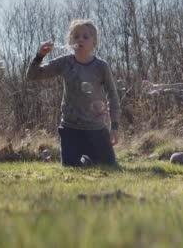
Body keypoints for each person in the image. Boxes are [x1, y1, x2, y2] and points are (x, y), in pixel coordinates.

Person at [27, 19, 120, 167]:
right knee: (71, 167)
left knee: (109, 166)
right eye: (76, 36)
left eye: (85, 36)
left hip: (96, 129)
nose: (80, 39)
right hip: (70, 129)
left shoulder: (101, 67)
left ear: (94, 43)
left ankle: (90, 157)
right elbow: (33, 75)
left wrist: (114, 127)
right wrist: (40, 56)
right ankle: (84, 159)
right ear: (70, 41)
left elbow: (113, 96)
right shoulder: (65, 63)